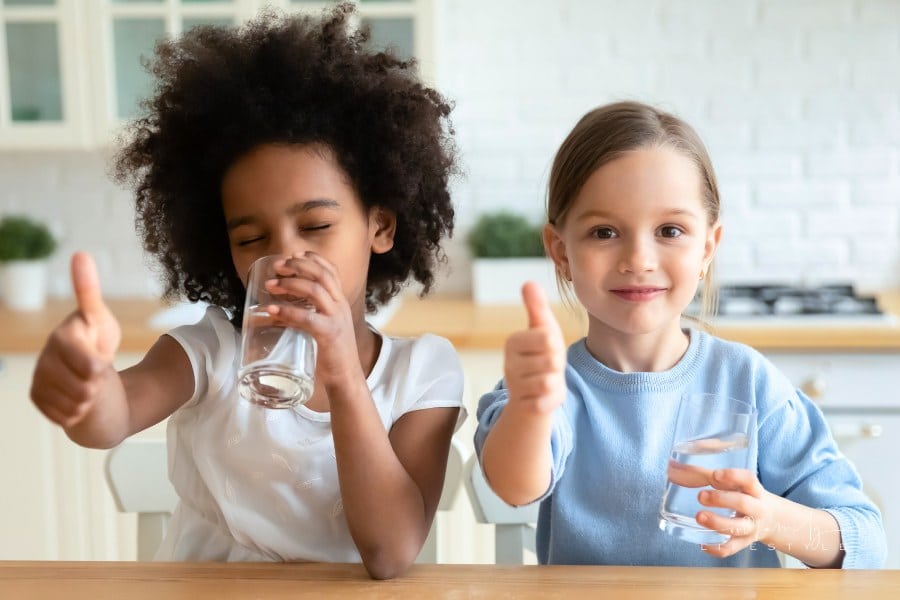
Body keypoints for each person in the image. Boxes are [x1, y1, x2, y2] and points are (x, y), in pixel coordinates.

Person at [30, 5, 465, 579]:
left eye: (316, 225)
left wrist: (340, 370)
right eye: (251, 238)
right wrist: (87, 389)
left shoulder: (423, 374)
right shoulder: (211, 352)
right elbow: (114, 415)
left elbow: (389, 552)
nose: (283, 256)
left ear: (380, 227)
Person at [473, 100, 886, 569]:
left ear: (707, 248)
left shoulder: (749, 382)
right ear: (560, 252)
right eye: (604, 232)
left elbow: (867, 541)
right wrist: (531, 409)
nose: (639, 260)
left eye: (669, 230)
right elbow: (515, 487)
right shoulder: (549, 387)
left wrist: (771, 520)